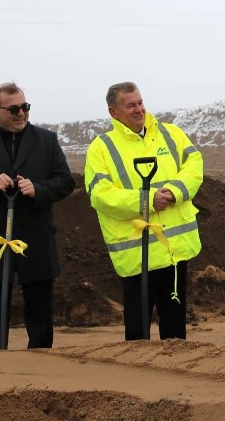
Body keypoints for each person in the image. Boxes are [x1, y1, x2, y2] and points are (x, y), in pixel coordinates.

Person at [0, 82, 75, 349]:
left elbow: (66, 182)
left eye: (25, 107)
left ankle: (40, 370)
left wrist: (38, 189)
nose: (21, 113)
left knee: (40, 314)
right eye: (14, 108)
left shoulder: (46, 140)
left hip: (36, 240)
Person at [84, 82, 203, 341]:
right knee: (138, 334)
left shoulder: (170, 134)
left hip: (173, 250)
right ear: (114, 112)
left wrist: (174, 191)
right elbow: (100, 195)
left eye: (140, 102)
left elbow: (194, 165)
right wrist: (147, 201)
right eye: (130, 105)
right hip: (137, 254)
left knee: (175, 333)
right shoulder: (102, 148)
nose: (139, 109)